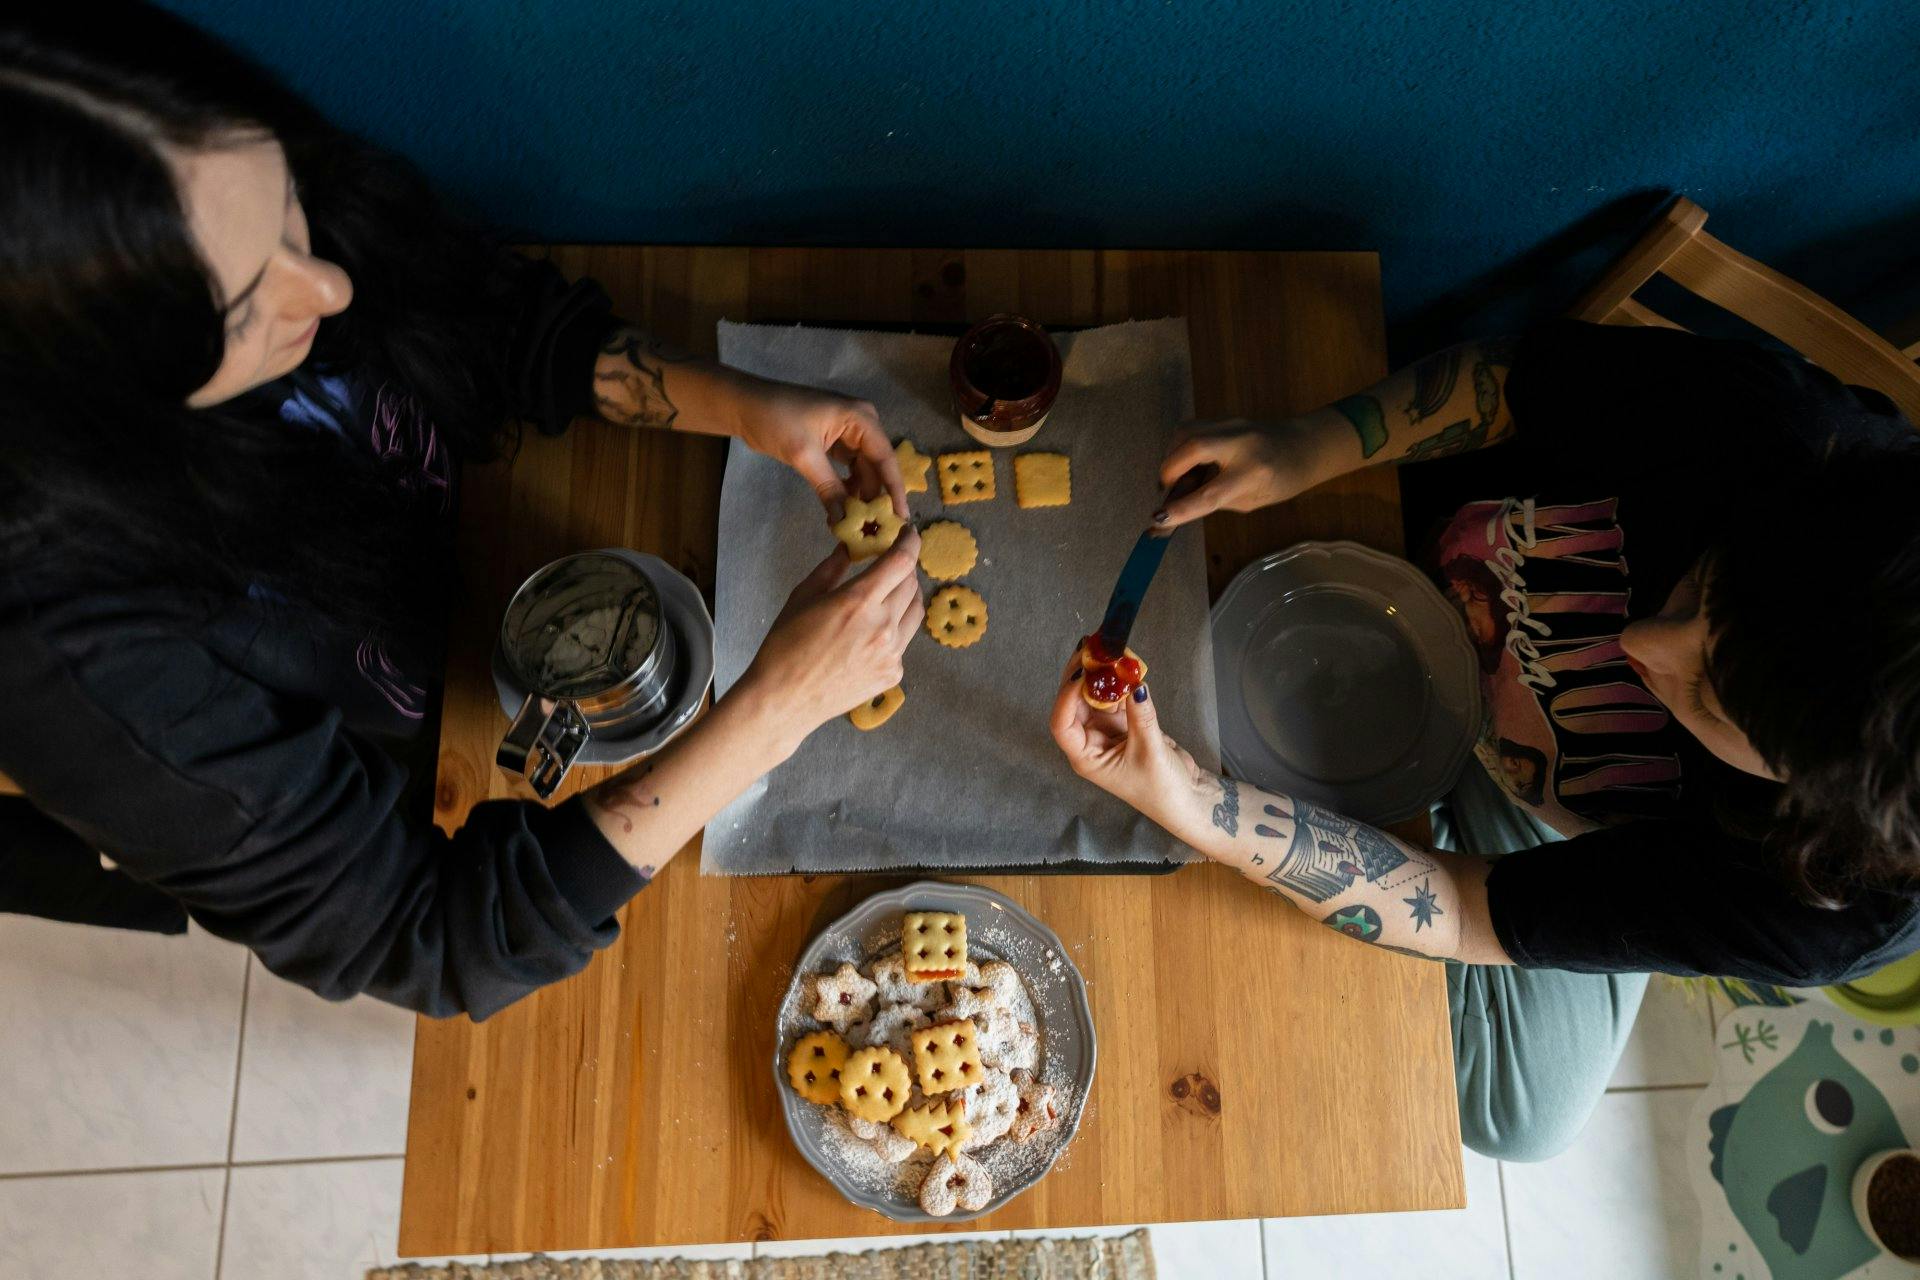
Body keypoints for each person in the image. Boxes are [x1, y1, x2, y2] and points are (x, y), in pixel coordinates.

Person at [0, 8, 923, 1018]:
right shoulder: (64, 661)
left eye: (289, 210)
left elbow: (476, 318)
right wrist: (774, 710)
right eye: (243, 306)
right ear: (89, 402)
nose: (330, 286)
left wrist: (732, 402)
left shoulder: (234, 203)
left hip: (461, 563)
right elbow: (426, 932)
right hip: (398, 751)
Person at [1051, 318, 1920, 1160]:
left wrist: (1194, 805)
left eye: (1708, 695)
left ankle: (1620, 901)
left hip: (1577, 820)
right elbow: (1514, 381)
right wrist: (1311, 445)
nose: (1639, 645)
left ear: (1803, 796)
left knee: (1526, 1118)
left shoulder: (1823, 905)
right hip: (1419, 549)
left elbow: (1464, 909)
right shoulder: (1791, 443)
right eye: (1699, 590)